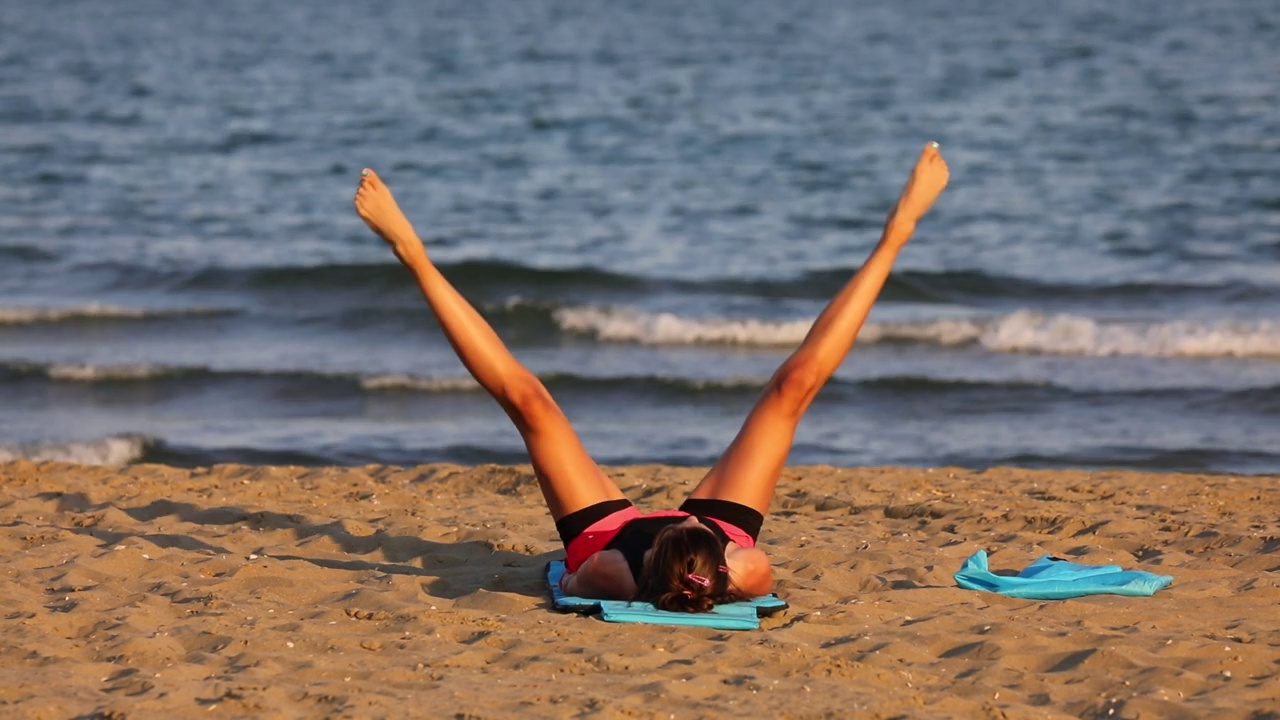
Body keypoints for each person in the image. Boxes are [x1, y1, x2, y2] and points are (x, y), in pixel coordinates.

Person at [353, 142, 949, 612]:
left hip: (605, 534)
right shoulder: (746, 565)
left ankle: (413, 252)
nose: (678, 513)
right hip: (692, 547)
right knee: (792, 391)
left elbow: (569, 576)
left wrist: (597, 571)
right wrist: (706, 540)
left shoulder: (613, 569)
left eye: (679, 523)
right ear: (714, 551)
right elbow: (706, 559)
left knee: (529, 404)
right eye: (688, 521)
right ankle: (896, 235)